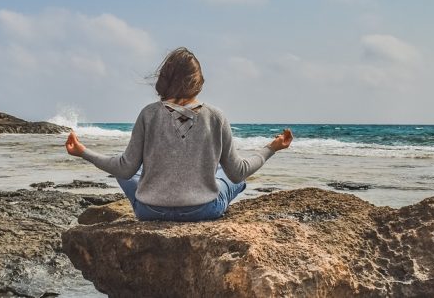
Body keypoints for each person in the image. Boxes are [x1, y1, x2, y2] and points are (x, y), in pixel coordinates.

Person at [65, 47, 292, 222]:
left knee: (125, 168)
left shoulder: (148, 114)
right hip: (203, 210)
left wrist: (83, 152)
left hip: (149, 211)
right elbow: (239, 171)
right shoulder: (216, 116)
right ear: (198, 81)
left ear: (164, 79)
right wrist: (272, 147)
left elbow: (125, 169)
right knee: (229, 174)